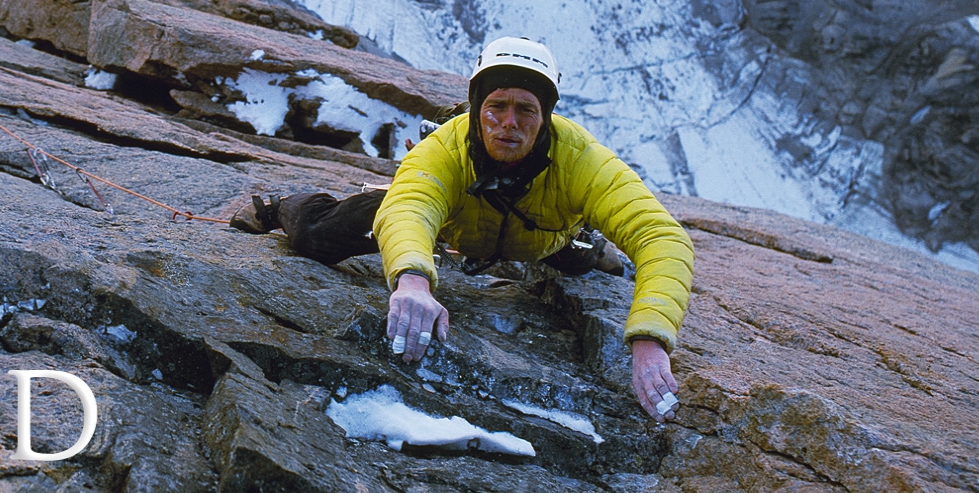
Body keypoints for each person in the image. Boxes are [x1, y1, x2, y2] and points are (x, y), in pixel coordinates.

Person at [229, 36, 693, 421]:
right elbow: (410, 207)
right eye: (496, 106)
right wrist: (412, 278)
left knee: (581, 261)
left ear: (546, 115)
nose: (509, 123)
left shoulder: (581, 160)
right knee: (316, 235)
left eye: (526, 110)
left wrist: (650, 338)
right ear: (475, 108)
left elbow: (663, 237)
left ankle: (590, 248)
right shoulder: (445, 148)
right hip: (451, 230)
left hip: (542, 238)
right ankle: (281, 207)